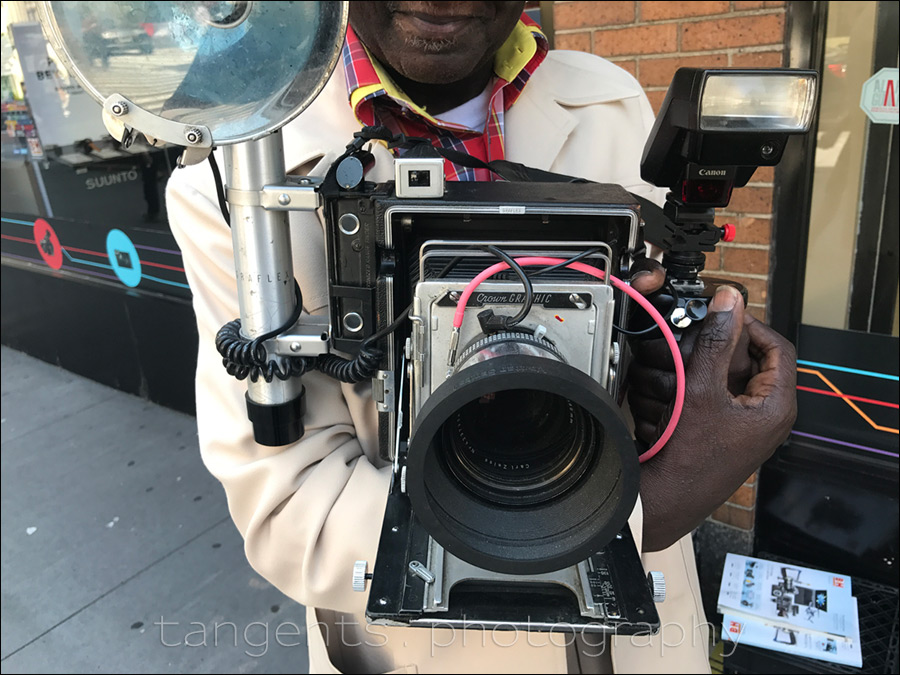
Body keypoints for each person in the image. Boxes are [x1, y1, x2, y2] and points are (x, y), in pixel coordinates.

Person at [166, 2, 797, 672]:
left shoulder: (612, 106)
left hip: (636, 650)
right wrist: (652, 509)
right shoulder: (243, 169)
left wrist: (670, 370)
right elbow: (287, 504)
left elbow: (646, 320)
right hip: (413, 652)